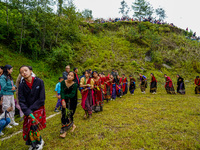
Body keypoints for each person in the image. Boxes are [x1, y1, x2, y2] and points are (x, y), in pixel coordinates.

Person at [18, 65, 46, 150]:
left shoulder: (39, 82)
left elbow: (42, 99)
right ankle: (33, 144)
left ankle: (40, 142)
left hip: (38, 107)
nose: (24, 73)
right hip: (27, 109)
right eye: (22, 72)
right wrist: (27, 111)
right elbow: (21, 101)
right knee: (29, 127)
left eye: (25, 70)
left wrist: (30, 110)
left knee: (34, 126)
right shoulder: (21, 86)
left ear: (31, 71)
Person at [60, 72, 78, 138]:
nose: (69, 76)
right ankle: (64, 132)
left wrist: (64, 97)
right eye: (69, 75)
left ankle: (73, 125)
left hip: (72, 101)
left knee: (70, 114)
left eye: (71, 76)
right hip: (65, 101)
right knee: (64, 114)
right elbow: (62, 91)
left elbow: (72, 94)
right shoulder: (62, 83)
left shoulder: (75, 85)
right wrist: (63, 100)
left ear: (73, 78)